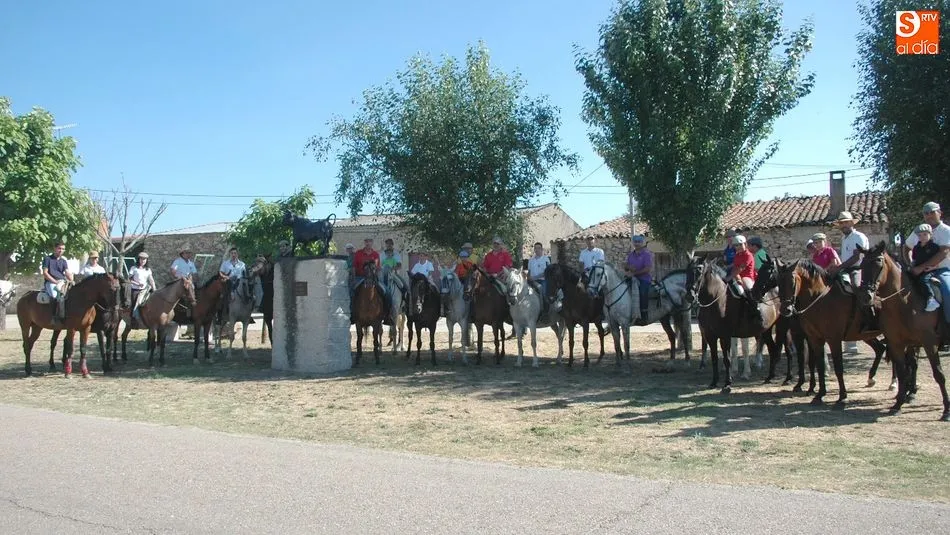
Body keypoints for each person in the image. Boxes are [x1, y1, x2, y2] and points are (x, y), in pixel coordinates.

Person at [827, 211, 869, 353]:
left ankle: (867, 317)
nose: (843, 225)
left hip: (859, 269)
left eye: (846, 222)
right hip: (846, 270)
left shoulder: (859, 237)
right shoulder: (845, 238)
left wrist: (840, 267)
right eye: (841, 223)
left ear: (851, 223)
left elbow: (857, 258)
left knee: (857, 288)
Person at [905, 202, 950, 325]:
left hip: (941, 270)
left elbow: (944, 252)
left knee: (948, 291)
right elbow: (906, 248)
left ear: (940, 213)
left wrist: (921, 268)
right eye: (926, 213)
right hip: (917, 270)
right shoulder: (919, 230)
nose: (929, 215)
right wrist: (911, 264)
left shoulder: (946, 231)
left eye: (932, 212)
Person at [724, 235, 759, 320]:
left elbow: (741, 268)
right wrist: (736, 278)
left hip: (747, 277)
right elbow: (735, 268)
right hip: (737, 276)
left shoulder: (748, 255)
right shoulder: (737, 256)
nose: (738, 247)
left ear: (745, 244)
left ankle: (755, 308)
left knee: (746, 288)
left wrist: (730, 277)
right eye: (736, 245)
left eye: (740, 245)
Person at [910, 224, 942, 312]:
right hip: (918, 269)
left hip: (930, 270)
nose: (922, 237)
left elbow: (938, 260)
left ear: (930, 234)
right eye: (919, 235)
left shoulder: (934, 247)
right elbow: (915, 259)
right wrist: (912, 266)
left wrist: (933, 268)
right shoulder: (916, 248)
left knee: (924, 280)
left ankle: (931, 298)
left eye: (925, 234)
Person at [42, 241, 73, 325]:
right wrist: (55, 282)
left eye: (63, 249)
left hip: (62, 282)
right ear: (55, 249)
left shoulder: (63, 261)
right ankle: (54, 317)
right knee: (55, 296)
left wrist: (71, 279)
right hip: (51, 282)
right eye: (59, 248)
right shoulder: (47, 259)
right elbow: (45, 273)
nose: (61, 250)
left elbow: (67, 272)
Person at [625, 235, 654, 325]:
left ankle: (644, 315)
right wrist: (628, 267)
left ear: (642, 243)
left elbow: (648, 268)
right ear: (633, 243)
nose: (637, 244)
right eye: (635, 242)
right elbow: (626, 266)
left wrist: (635, 273)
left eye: (639, 242)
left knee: (642, 292)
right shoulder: (631, 255)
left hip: (644, 279)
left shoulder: (646, 254)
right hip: (632, 278)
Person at [129, 252, 157, 317]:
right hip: (135, 290)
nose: (143, 261)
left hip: (145, 290)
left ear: (146, 260)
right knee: (135, 305)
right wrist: (138, 284)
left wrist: (154, 289)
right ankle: (133, 319)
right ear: (138, 259)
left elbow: (151, 280)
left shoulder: (148, 270)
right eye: (141, 259)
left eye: (144, 259)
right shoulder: (134, 268)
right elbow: (129, 279)